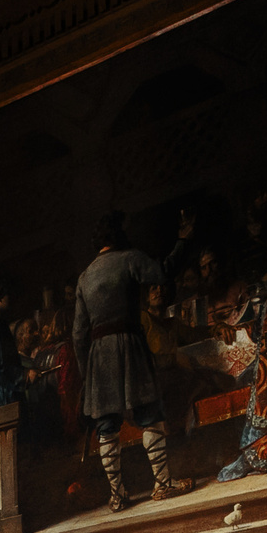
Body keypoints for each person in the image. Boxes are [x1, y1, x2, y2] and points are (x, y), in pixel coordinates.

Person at [71, 212, 176, 509]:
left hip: (98, 356)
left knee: (107, 426)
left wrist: (85, 372)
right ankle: (162, 485)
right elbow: (163, 273)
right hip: (129, 345)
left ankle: (117, 495)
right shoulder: (130, 258)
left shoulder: (84, 277)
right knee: (149, 414)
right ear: (118, 235)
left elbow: (78, 334)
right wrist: (182, 242)